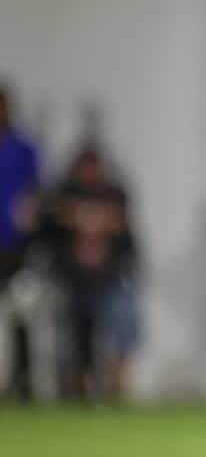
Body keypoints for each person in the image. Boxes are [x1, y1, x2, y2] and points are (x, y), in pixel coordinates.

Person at [50, 144, 141, 401]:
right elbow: (52, 227)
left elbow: (126, 238)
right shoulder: (64, 192)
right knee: (72, 334)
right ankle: (77, 388)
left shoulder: (115, 193)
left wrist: (89, 219)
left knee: (122, 321)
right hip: (74, 280)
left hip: (111, 278)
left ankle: (116, 386)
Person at [0, 86, 41, 397]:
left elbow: (36, 192)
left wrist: (29, 215)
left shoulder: (24, 148)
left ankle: (22, 381)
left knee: (21, 314)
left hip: (16, 248)